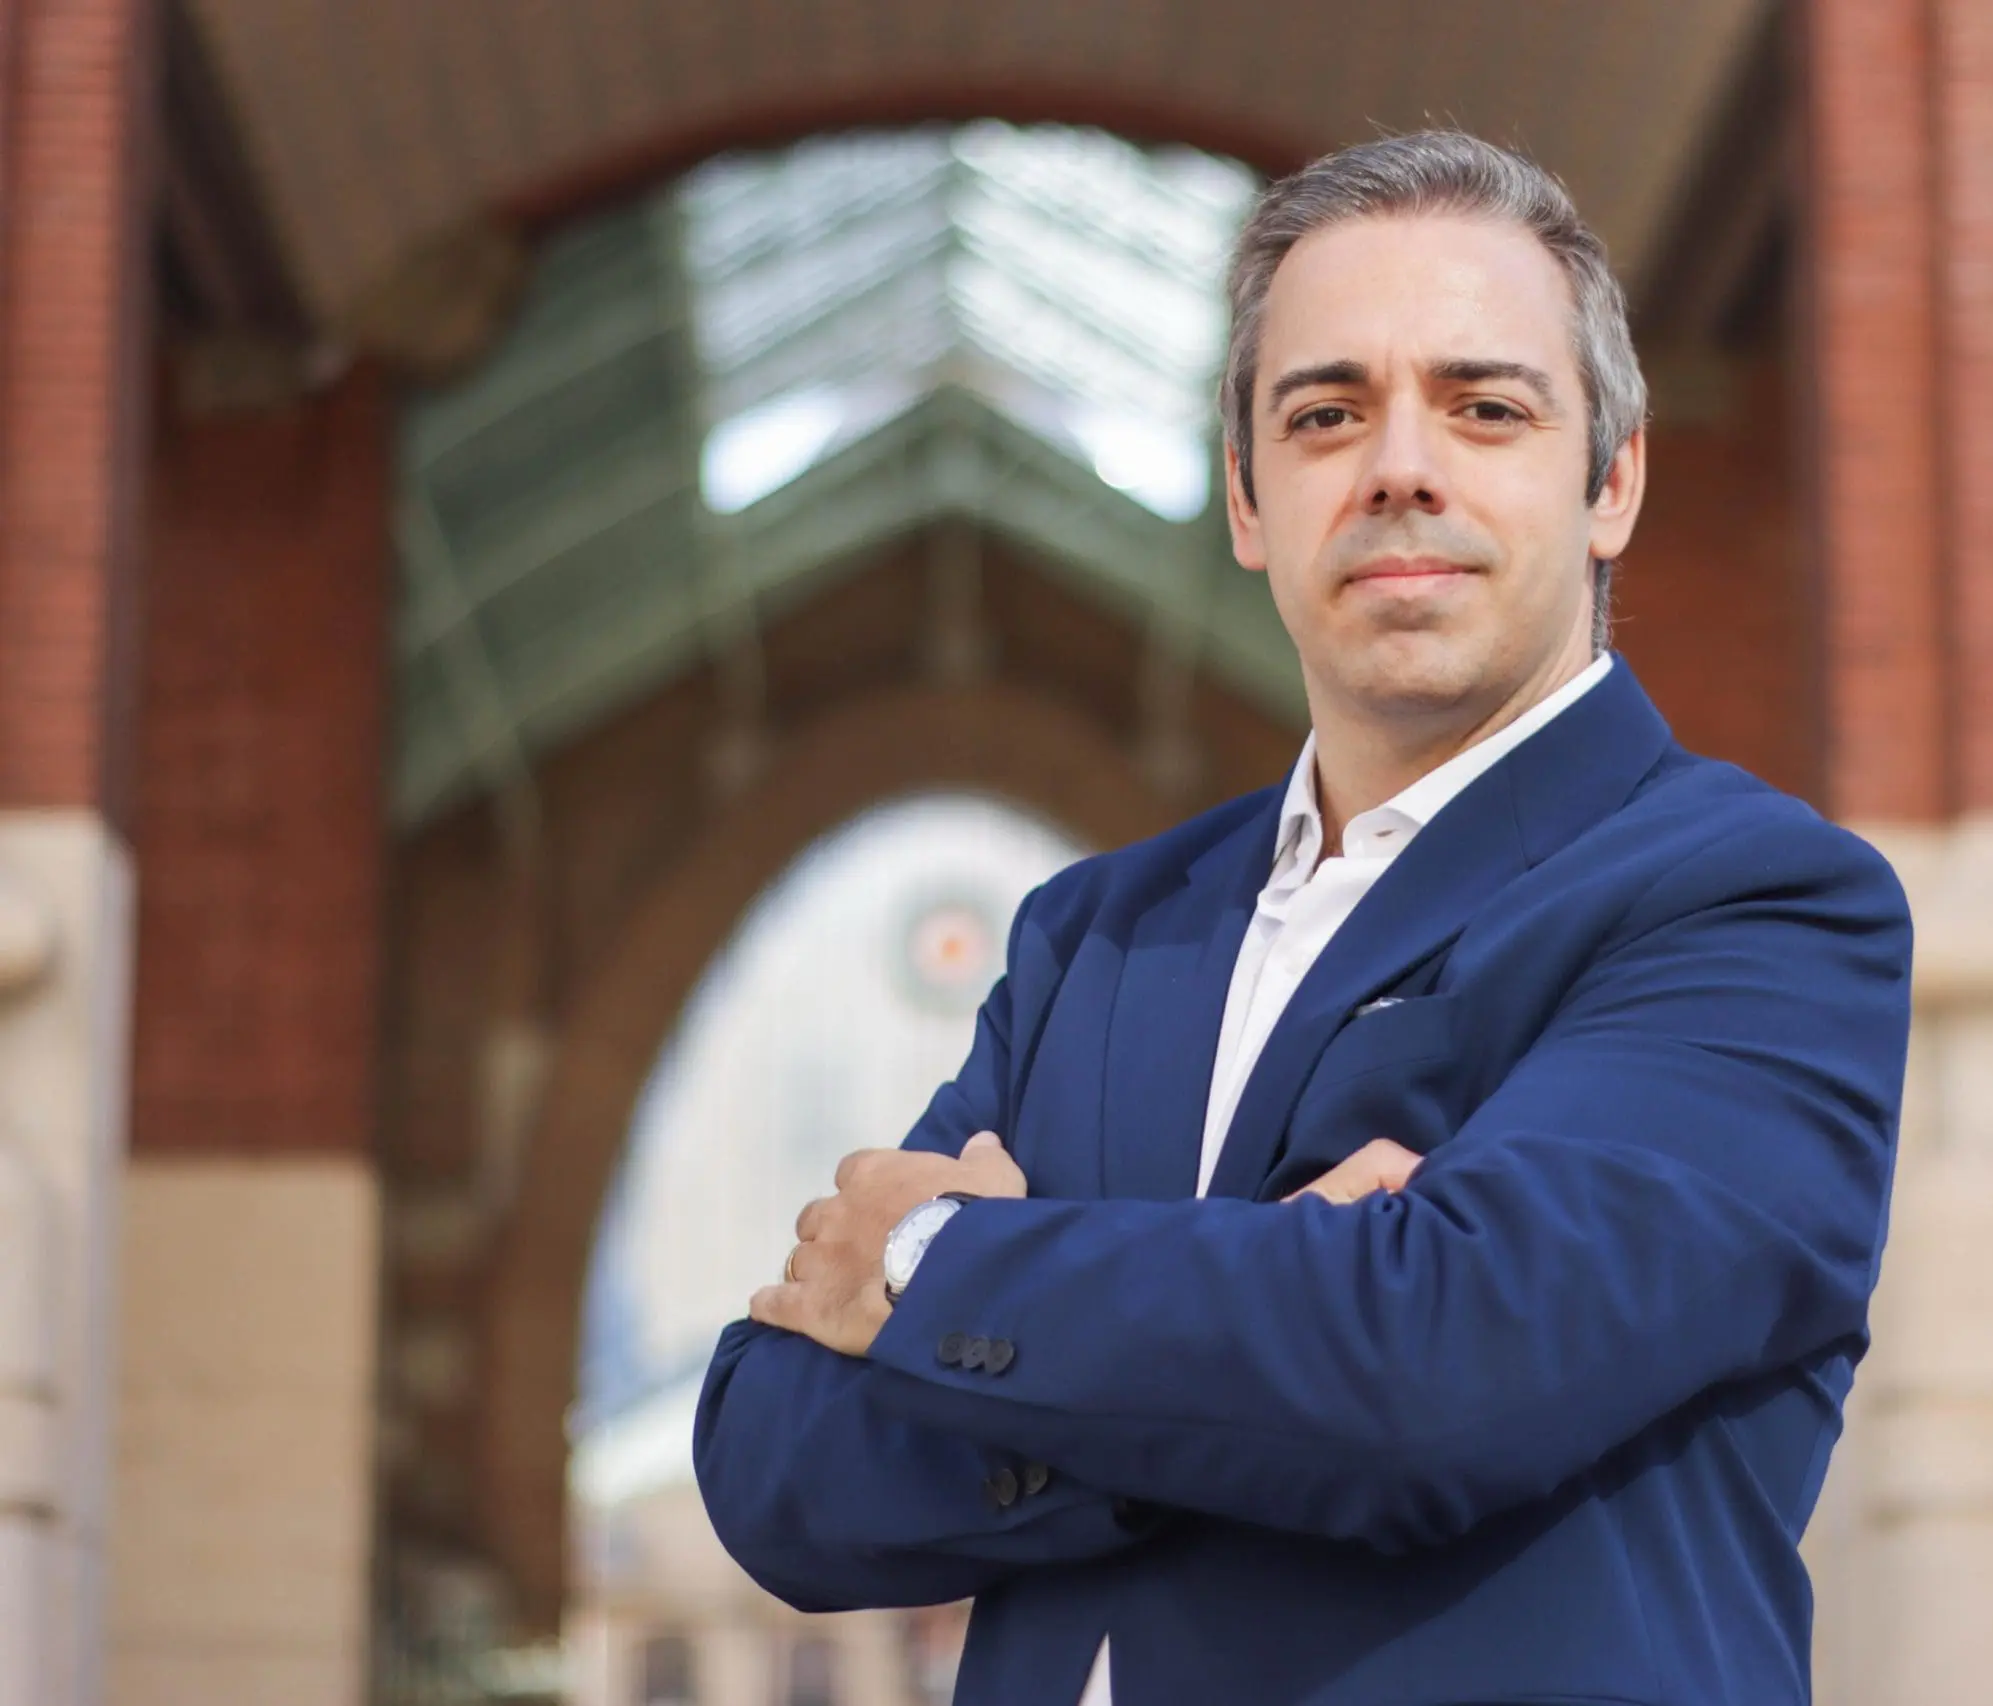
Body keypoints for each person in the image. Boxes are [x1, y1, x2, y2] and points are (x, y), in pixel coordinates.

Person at [694, 129, 1911, 1706]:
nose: (1400, 466)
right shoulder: (1098, 939)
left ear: (1610, 481)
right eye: (1327, 413)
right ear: (1248, 499)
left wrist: (937, 1259)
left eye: (1484, 408)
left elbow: (1438, 1373)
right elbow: (773, 1460)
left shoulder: (1754, 905)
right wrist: (1254, 1342)